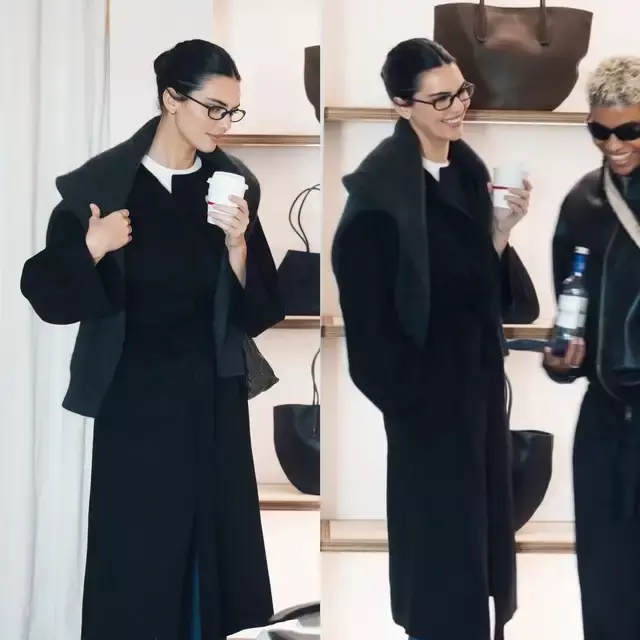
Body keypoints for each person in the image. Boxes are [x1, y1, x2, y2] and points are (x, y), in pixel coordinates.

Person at [20, 39, 285, 640]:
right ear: (171, 99)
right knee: (138, 561)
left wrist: (239, 246)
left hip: (213, 398)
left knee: (213, 554)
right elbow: (45, 294)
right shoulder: (106, 187)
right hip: (134, 403)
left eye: (232, 111)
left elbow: (260, 308)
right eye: (214, 108)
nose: (225, 123)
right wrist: (93, 247)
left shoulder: (232, 187)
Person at [331, 39, 540, 640]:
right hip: (428, 415)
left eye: (461, 92)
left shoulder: (469, 176)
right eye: (440, 98)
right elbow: (370, 336)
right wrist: (419, 403)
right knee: (440, 565)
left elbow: (488, 297)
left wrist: (501, 232)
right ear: (402, 105)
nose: (458, 107)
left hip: (478, 402)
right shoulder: (380, 197)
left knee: (477, 559)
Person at [543, 55, 640, 640]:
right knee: (604, 580)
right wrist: (559, 361)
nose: (614, 145)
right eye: (599, 132)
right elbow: (568, 317)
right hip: (604, 418)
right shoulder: (582, 203)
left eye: (629, 129)